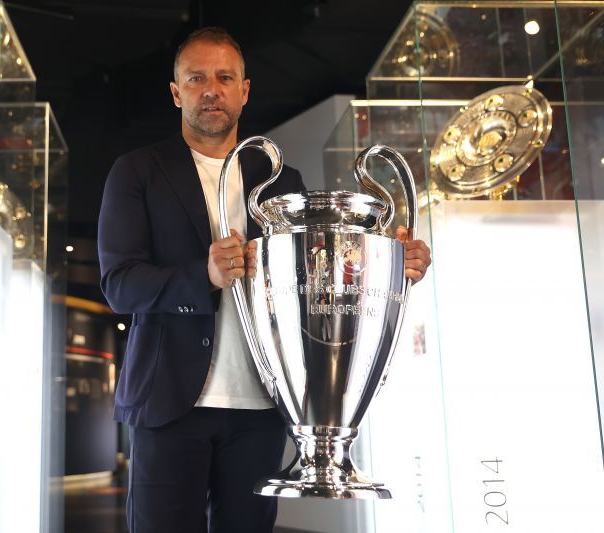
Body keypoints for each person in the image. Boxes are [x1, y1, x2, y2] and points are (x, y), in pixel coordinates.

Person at [98, 27, 432, 533]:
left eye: (224, 77)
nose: (211, 89)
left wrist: (388, 261)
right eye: (197, 78)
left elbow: (317, 283)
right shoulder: (136, 171)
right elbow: (120, 285)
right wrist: (203, 275)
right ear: (176, 93)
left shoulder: (282, 181)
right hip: (168, 405)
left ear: (244, 90)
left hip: (262, 405)